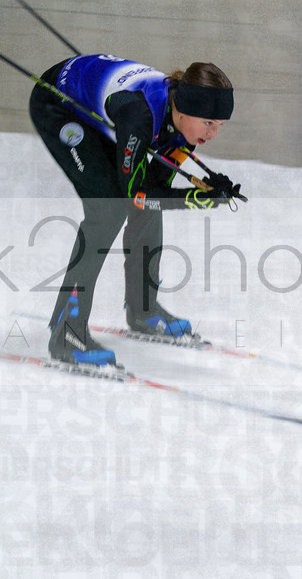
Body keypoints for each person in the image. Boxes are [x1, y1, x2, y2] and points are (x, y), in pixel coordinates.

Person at [29, 54, 241, 366]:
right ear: (182, 110)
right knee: (109, 209)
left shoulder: (185, 125)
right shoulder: (139, 114)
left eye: (220, 125)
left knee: (145, 204)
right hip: (58, 104)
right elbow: (137, 195)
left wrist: (201, 193)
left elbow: (154, 190)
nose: (213, 134)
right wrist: (194, 199)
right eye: (209, 123)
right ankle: (66, 332)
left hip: (98, 101)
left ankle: (143, 310)